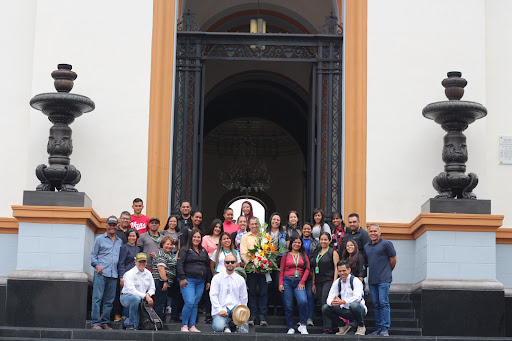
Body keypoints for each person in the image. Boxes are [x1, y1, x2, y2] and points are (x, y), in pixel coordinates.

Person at [90, 216, 123, 330]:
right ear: (106, 226)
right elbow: (93, 255)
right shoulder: (99, 239)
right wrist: (97, 266)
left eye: (114, 225)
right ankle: (95, 323)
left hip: (114, 275)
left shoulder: (120, 241)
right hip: (101, 273)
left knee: (109, 300)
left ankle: (105, 323)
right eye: (110, 224)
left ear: (117, 227)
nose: (112, 227)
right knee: (97, 298)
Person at [177, 229, 212, 332]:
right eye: (194, 237)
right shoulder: (185, 249)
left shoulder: (203, 251)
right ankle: (184, 325)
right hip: (188, 280)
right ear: (191, 238)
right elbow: (179, 264)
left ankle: (192, 326)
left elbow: (207, 266)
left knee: (195, 304)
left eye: (198, 237)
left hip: (200, 281)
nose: (196, 239)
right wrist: (182, 278)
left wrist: (208, 281)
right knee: (189, 302)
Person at [365, 223, 397, 336]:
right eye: (371, 231)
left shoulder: (386, 244)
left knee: (383, 303)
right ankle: (379, 328)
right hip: (372, 280)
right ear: (368, 233)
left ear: (379, 232)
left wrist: (387, 271)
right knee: (376, 304)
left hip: (384, 279)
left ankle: (385, 328)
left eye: (375, 231)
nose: (373, 233)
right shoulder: (366, 246)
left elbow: (393, 260)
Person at [322, 261, 367, 336]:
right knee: (325, 307)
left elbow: (358, 298)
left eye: (344, 270)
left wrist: (343, 301)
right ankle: (343, 326)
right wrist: (332, 302)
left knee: (354, 305)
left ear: (349, 270)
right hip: (344, 310)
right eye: (339, 271)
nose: (342, 273)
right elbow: (329, 297)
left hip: (357, 310)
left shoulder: (355, 281)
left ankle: (361, 326)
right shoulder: (337, 282)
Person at [279, 237, 310, 335]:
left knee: (303, 301)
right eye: (295, 242)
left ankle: (303, 325)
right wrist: (280, 283)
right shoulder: (286, 255)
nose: (297, 244)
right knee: (289, 305)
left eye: (299, 242)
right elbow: (281, 270)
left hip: (299, 282)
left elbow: (308, 269)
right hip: (287, 281)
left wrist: (302, 281)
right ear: (291, 244)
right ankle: (290, 327)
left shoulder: (304, 255)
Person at [210, 254, 249, 333]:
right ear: (224, 264)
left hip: (235, 307)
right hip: (221, 307)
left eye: (232, 262)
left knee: (243, 330)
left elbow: (243, 297)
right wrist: (219, 309)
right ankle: (225, 327)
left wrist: (242, 312)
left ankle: (232, 325)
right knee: (218, 327)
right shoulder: (217, 278)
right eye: (227, 262)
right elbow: (213, 295)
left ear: (236, 263)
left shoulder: (240, 279)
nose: (230, 264)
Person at [311, 232, 340, 334]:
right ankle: (328, 325)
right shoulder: (316, 252)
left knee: (325, 301)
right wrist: (313, 283)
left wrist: (335, 281)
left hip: (329, 280)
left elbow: (337, 267)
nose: (323, 241)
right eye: (321, 239)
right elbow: (314, 269)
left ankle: (328, 327)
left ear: (329, 241)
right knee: (321, 302)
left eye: (325, 240)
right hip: (318, 281)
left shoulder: (333, 252)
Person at [240, 217, 268, 326]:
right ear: (249, 225)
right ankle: (251, 315)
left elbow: (268, 251)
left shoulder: (264, 236)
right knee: (251, 292)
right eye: (252, 224)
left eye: (256, 224)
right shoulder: (245, 237)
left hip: (263, 269)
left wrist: (263, 264)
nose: (254, 226)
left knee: (263, 292)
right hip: (251, 269)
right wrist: (254, 264)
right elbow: (243, 252)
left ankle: (262, 316)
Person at [120, 253, 156, 330]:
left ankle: (125, 321)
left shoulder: (148, 273)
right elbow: (131, 290)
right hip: (126, 297)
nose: (142, 264)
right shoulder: (129, 273)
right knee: (136, 298)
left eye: (144, 262)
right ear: (135, 262)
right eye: (140, 262)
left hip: (141, 299)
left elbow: (152, 287)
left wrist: (148, 294)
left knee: (137, 325)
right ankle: (130, 324)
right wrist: (145, 296)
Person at [112, 211, 132, 322]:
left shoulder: (131, 233)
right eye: (124, 218)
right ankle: (113, 314)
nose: (125, 220)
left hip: (127, 267)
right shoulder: (115, 231)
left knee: (124, 291)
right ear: (120, 219)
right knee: (113, 292)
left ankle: (119, 314)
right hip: (115, 265)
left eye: (127, 219)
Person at [116, 228, 139, 320]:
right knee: (127, 296)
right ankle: (125, 318)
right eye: (130, 236)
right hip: (126, 276)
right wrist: (121, 277)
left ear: (136, 237)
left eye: (133, 236)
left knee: (134, 296)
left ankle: (133, 318)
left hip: (135, 277)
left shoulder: (137, 248)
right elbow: (121, 263)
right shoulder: (124, 247)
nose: (132, 238)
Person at [152, 236, 177, 320]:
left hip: (166, 282)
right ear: (162, 244)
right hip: (160, 281)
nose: (169, 246)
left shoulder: (168, 254)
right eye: (167, 244)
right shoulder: (161, 253)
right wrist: (165, 281)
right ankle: (158, 323)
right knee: (160, 303)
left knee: (163, 302)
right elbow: (161, 268)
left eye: (171, 244)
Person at [267, 212, 286, 317]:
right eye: (274, 219)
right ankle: (269, 307)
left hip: (279, 262)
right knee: (269, 285)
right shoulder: (265, 233)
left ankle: (279, 307)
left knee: (278, 285)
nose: (275, 221)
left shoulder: (283, 233)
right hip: (268, 262)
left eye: (278, 220)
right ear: (270, 221)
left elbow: (285, 249)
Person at [301, 222, 318, 326]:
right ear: (302, 230)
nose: (306, 231)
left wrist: (313, 269)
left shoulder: (316, 243)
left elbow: (316, 257)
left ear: (311, 230)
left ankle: (309, 318)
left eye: (308, 229)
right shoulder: (298, 241)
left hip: (310, 271)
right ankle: (302, 318)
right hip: (299, 271)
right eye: (304, 229)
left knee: (309, 295)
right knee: (301, 296)